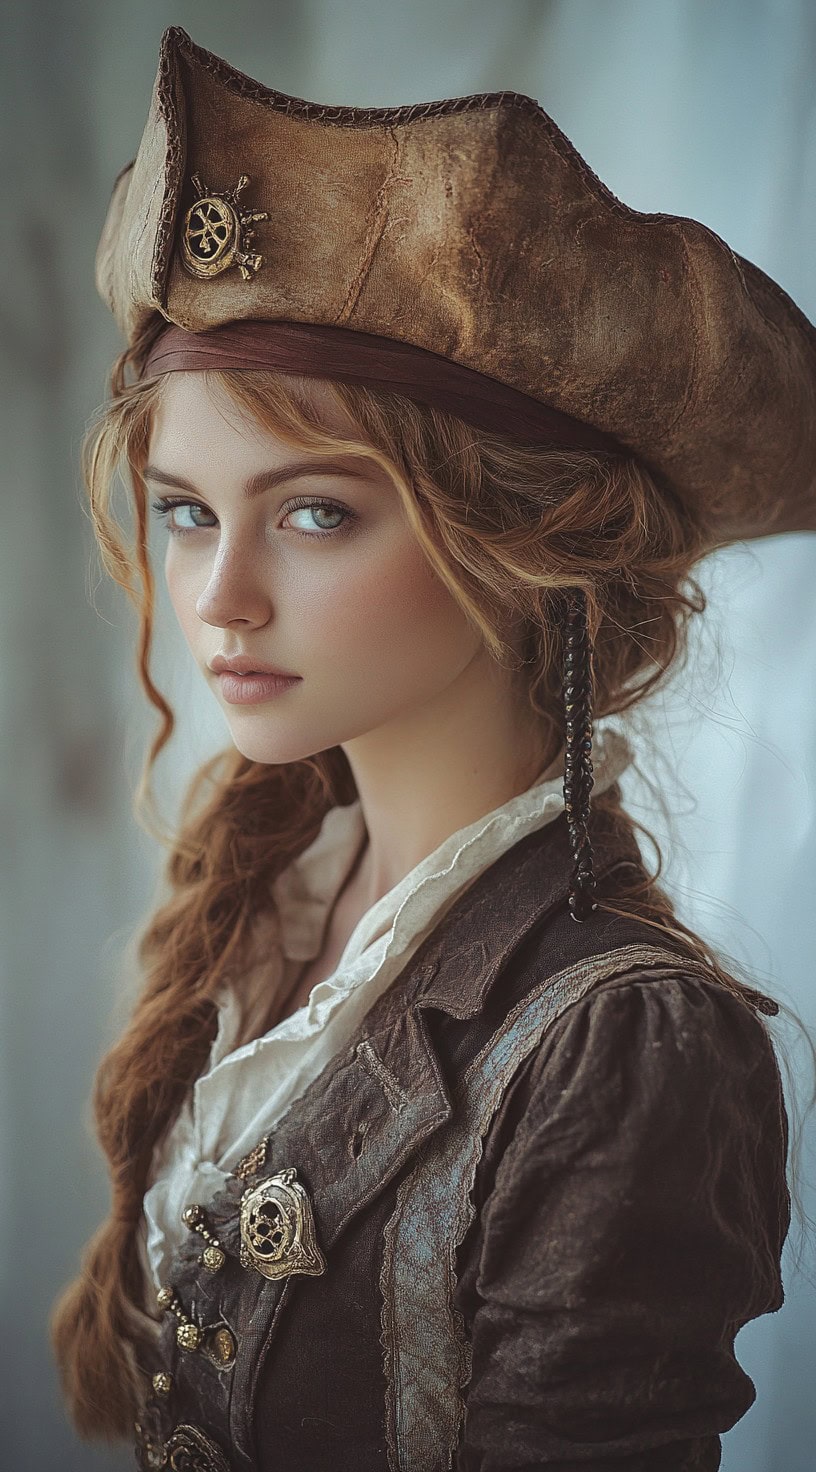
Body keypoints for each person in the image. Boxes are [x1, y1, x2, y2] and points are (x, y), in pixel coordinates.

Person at [51, 24, 814, 1472]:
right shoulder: (274, 909)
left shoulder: (618, 1044)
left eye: (316, 512)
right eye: (189, 510)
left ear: (522, 542)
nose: (219, 599)